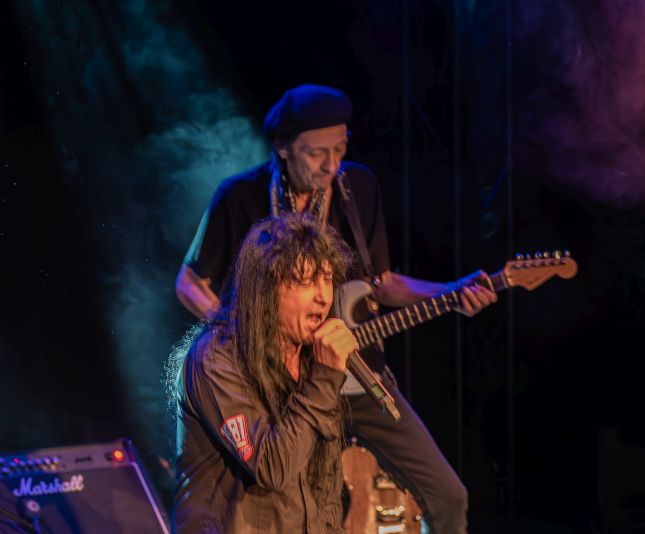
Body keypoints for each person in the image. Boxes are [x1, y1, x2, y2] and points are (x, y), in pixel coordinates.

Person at [175, 84, 497, 533]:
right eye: (316, 153)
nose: (331, 164)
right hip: (272, 374)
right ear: (283, 148)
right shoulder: (239, 196)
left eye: (340, 149)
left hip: (351, 367)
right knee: (282, 489)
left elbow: (380, 283)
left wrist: (450, 291)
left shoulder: (358, 186)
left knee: (447, 493)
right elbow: (189, 281)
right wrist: (241, 337)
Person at [170, 214, 356, 533]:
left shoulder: (312, 360)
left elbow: (323, 488)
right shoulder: (216, 357)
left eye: (327, 279)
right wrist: (324, 378)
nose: (324, 296)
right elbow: (272, 467)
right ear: (268, 288)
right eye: (306, 281)